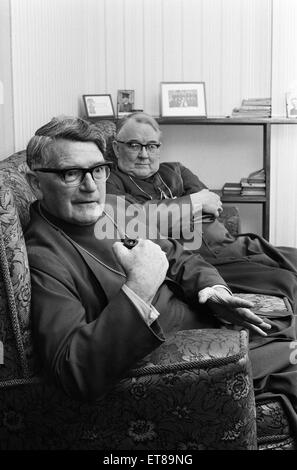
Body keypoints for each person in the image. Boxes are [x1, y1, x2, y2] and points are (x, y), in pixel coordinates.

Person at [24, 116, 297, 435]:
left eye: (97, 170)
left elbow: (178, 256)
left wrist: (213, 289)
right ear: (35, 183)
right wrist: (138, 287)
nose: (90, 186)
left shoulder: (114, 206)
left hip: (206, 317)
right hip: (179, 358)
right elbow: (76, 371)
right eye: (70, 173)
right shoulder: (42, 256)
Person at [107, 112, 297, 311]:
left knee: (293, 257)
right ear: (116, 148)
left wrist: (168, 216)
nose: (144, 155)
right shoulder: (110, 182)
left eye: (152, 146)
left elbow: (213, 204)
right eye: (134, 145)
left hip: (231, 244)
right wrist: (195, 203)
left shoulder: (175, 171)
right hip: (197, 260)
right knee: (285, 281)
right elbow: (136, 224)